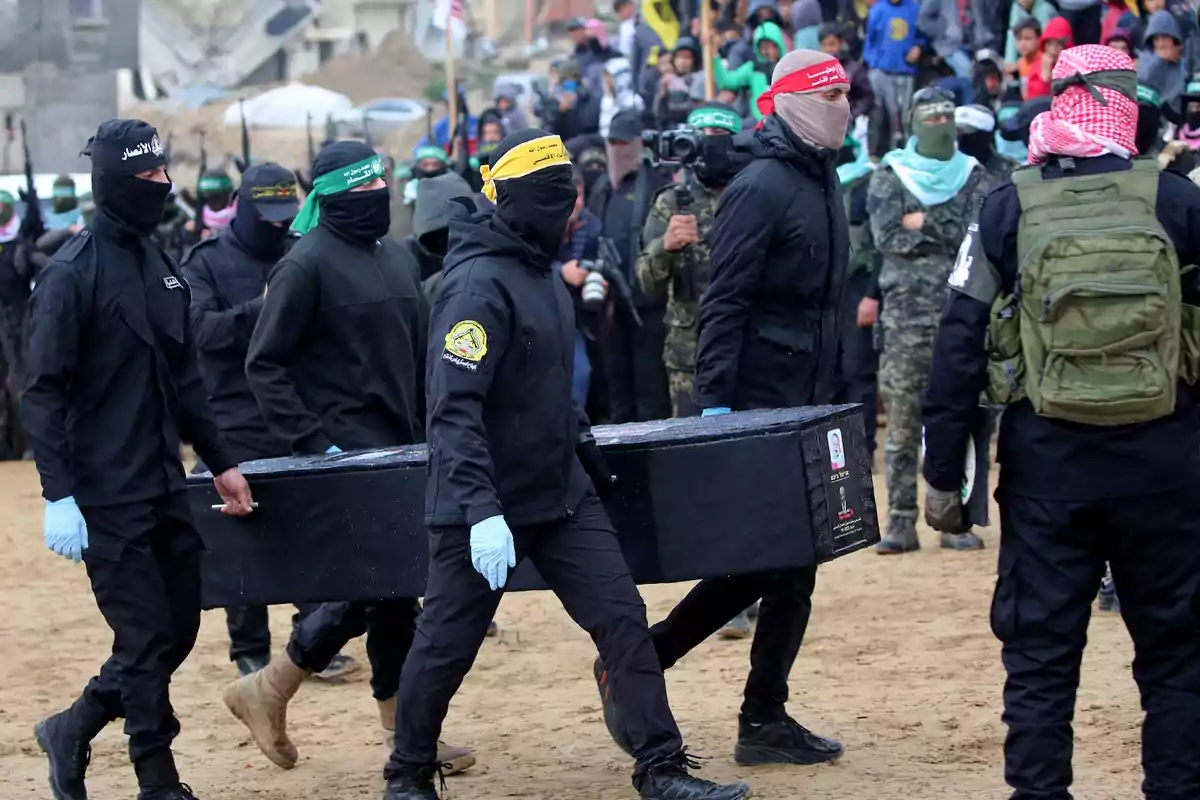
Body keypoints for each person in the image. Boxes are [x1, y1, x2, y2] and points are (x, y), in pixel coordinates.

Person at [381, 127, 750, 800]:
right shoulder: (474, 288)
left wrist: (581, 445)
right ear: (528, 204)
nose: (572, 212)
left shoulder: (539, 273)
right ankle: (406, 777)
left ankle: (660, 767)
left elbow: (547, 381)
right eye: (560, 201)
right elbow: (453, 410)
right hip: (480, 502)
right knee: (445, 644)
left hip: (558, 493)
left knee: (620, 618)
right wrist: (483, 512)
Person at [922, 44, 1200, 800]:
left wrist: (943, 475)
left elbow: (956, 342)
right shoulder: (1176, 201)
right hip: (1168, 469)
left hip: (1048, 474)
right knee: (1178, 658)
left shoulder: (1008, 206)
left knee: (1042, 658)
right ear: (1128, 104)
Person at [600, 50, 852, 771]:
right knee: (770, 558)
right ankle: (649, 658)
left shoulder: (823, 178)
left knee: (797, 561)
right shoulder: (761, 186)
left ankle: (761, 716)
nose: (843, 104)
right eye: (830, 93)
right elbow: (724, 303)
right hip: (758, 400)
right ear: (797, 102)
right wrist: (717, 407)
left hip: (808, 399)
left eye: (846, 92)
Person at [25, 118, 255, 800]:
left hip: (163, 480)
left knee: (175, 630)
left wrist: (221, 461)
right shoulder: (71, 276)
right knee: (145, 632)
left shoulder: (163, 268)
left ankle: (75, 723)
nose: (162, 187)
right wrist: (57, 493)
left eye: (164, 175)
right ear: (116, 185)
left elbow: (187, 381)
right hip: (103, 492)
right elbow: (41, 392)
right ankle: (158, 778)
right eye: (149, 178)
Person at [229, 141, 473, 774]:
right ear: (333, 196)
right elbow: (266, 362)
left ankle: (386, 727)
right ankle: (284, 688)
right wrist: (313, 442)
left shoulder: (394, 257)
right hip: (343, 454)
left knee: (394, 592)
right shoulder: (303, 265)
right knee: (380, 587)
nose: (377, 198)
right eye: (363, 189)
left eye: (381, 187)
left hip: (404, 446)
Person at [180, 163, 359, 679]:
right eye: (270, 217)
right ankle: (249, 650)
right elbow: (201, 333)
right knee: (243, 532)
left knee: (309, 527)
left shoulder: (300, 251)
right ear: (242, 206)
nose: (279, 226)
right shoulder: (206, 262)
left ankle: (314, 638)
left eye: (288, 215)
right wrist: (263, 309)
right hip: (231, 418)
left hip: (294, 411)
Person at [868, 87, 989, 554]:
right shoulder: (889, 175)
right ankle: (901, 521)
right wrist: (943, 229)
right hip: (904, 321)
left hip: (961, 315)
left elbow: (978, 233)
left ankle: (955, 520)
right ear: (911, 121)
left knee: (961, 421)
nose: (939, 124)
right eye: (929, 116)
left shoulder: (974, 175)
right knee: (900, 426)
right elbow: (886, 236)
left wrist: (923, 224)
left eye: (946, 116)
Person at [587, 109, 672, 423]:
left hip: (649, 306)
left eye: (625, 142)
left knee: (650, 393)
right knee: (618, 393)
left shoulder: (655, 184)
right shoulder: (603, 188)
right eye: (613, 142)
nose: (618, 150)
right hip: (612, 307)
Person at [864, 0, 926, 152]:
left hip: (906, 71)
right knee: (882, 116)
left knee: (906, 117)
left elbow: (922, 36)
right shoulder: (877, 10)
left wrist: (918, 47)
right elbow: (869, 41)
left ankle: (908, 152)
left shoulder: (914, 9)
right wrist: (873, 64)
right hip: (881, 71)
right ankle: (882, 154)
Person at [955, 103, 1015, 189]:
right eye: (957, 131)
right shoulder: (942, 169)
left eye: (966, 131)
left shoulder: (1008, 168)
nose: (960, 136)